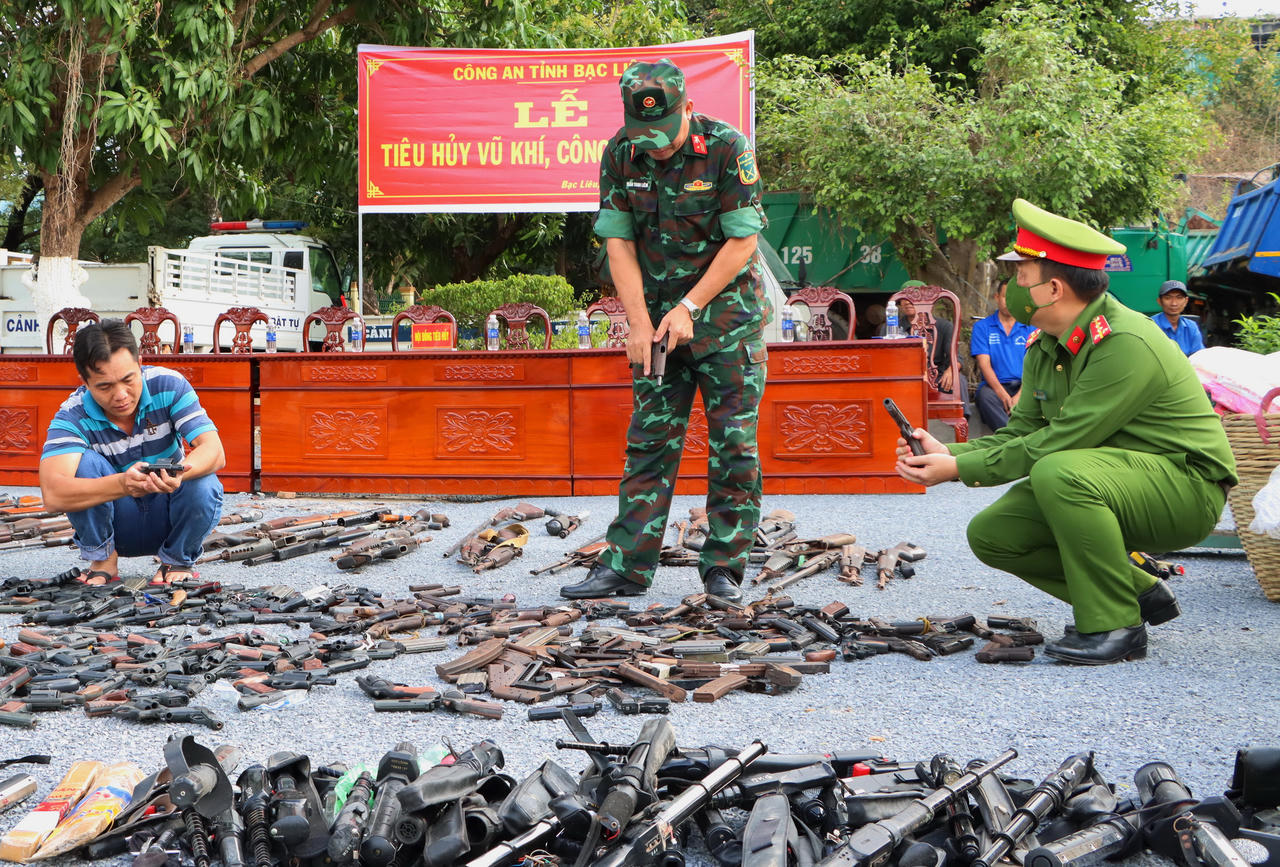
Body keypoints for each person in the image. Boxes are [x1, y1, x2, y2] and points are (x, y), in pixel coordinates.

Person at [895, 199, 1237, 665]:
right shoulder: (1048, 345)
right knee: (994, 534)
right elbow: (1023, 431)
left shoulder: (1124, 342)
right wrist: (951, 452)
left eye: (1021, 276)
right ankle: (1138, 591)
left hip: (1183, 490)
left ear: (1053, 288)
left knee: (1058, 472)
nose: (1014, 287)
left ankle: (1116, 624)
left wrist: (957, 470)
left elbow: (1062, 441)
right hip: (1110, 478)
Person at [560, 59, 769, 603]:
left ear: (688, 109)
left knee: (734, 448)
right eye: (642, 134)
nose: (653, 146)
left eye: (664, 133)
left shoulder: (727, 148)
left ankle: (724, 567)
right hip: (658, 329)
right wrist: (638, 322)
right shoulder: (619, 153)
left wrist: (690, 305)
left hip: (727, 324)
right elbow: (619, 242)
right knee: (648, 444)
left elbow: (743, 241)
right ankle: (626, 567)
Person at [39, 319, 226, 585]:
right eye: (105, 386)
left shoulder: (168, 384)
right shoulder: (72, 414)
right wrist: (123, 484)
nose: (121, 395)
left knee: (202, 479)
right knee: (84, 464)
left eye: (128, 380)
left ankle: (177, 558)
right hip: (117, 525)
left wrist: (179, 475)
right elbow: (53, 494)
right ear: (85, 382)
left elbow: (214, 451)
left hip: (168, 513)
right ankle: (104, 558)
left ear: (140, 363)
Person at [970, 278, 1035, 430]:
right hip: (994, 387)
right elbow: (984, 365)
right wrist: (1002, 394)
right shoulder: (982, 327)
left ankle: (1014, 437)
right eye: (1006, 296)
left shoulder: (1031, 327)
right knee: (985, 396)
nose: (1010, 302)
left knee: (1040, 395)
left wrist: (1020, 395)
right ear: (997, 297)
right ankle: (1012, 437)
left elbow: (1035, 364)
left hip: (1025, 386)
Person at [1152, 279, 1205, 356]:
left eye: (1179, 297)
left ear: (1186, 301)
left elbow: (1199, 356)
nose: (1174, 303)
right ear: (1159, 301)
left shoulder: (1191, 327)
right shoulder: (1151, 326)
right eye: (1168, 298)